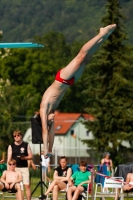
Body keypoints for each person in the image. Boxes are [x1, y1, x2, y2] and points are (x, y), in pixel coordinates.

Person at [39, 24, 117, 158]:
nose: (53, 119)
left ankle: (101, 33)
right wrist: (50, 150)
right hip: (70, 82)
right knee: (87, 60)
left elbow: (45, 132)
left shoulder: (44, 108)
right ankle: (105, 37)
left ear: (45, 119)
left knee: (81, 56)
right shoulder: (51, 113)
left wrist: (45, 149)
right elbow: (51, 133)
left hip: (62, 78)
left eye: (50, 121)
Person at [7, 130, 33, 200]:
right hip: (15, 168)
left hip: (24, 168)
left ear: (21, 136)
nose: (16, 137)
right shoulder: (11, 146)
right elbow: (8, 160)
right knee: (17, 186)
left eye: (18, 135)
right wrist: (8, 171)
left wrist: (24, 158)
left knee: (27, 186)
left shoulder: (26, 145)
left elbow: (31, 156)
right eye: (15, 136)